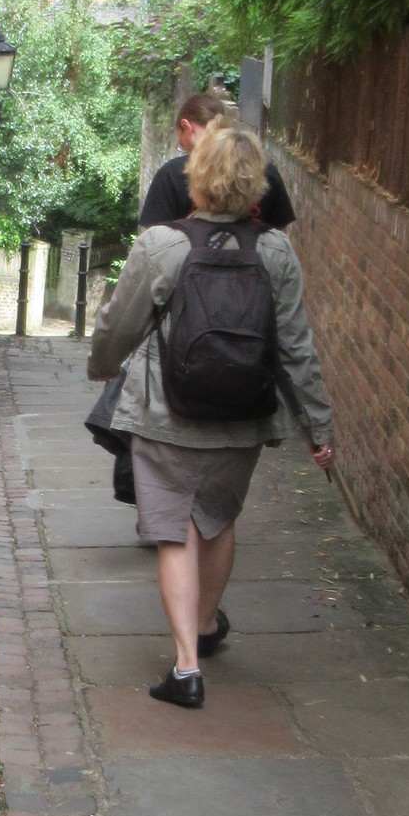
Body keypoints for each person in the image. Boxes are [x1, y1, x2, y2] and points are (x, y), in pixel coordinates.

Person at [89, 122, 335, 709]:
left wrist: (103, 364)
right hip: (242, 415)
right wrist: (318, 428)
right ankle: (203, 625)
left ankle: (186, 668)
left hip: (164, 413)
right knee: (218, 521)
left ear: (195, 178)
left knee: (172, 532)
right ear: (256, 187)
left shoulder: (162, 245)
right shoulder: (275, 252)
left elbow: (118, 323)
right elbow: (296, 349)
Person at [140, 90, 296, 232]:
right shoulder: (265, 171)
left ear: (186, 126)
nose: (181, 145)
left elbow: (153, 241)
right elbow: (280, 237)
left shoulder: (170, 175)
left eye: (180, 141)